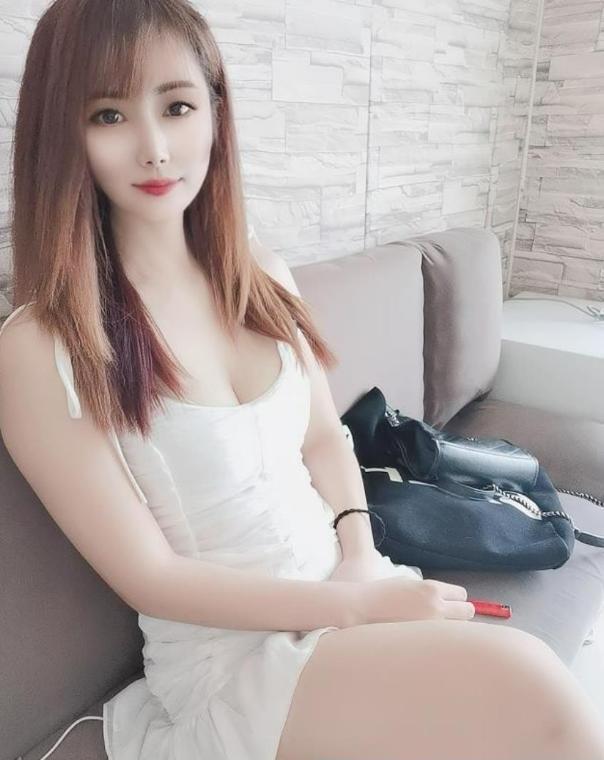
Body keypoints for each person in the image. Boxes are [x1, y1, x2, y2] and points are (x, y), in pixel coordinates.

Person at [1, 1, 603, 759]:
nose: (154, 148)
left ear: (215, 114)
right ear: (63, 133)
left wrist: (358, 555)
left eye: (177, 106)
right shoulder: (43, 345)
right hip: (235, 660)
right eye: (109, 115)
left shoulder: (258, 275)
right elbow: (150, 578)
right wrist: (352, 608)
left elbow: (324, 438)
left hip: (345, 582)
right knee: (538, 693)